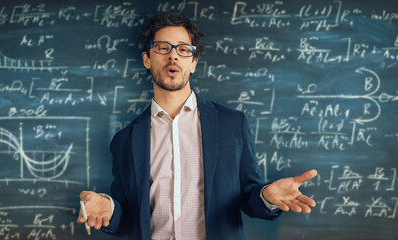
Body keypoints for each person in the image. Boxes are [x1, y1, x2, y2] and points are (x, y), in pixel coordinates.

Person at [77, 12, 318, 240]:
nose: (173, 56)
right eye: (163, 48)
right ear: (147, 59)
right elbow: (127, 216)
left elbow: (248, 194)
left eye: (183, 50)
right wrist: (107, 207)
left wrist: (266, 196)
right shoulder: (125, 140)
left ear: (193, 62)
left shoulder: (231, 124)